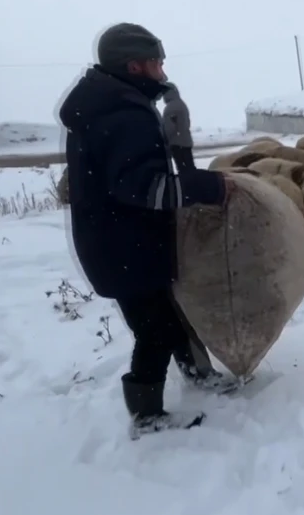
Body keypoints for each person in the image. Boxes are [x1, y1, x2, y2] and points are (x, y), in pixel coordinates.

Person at [58, 22, 234, 439]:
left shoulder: (111, 105)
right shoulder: (123, 115)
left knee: (170, 314)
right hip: (123, 247)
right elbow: (144, 188)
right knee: (154, 330)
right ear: (134, 66)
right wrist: (208, 187)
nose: (163, 70)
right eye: (157, 62)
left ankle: (198, 373)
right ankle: (147, 414)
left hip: (123, 240)